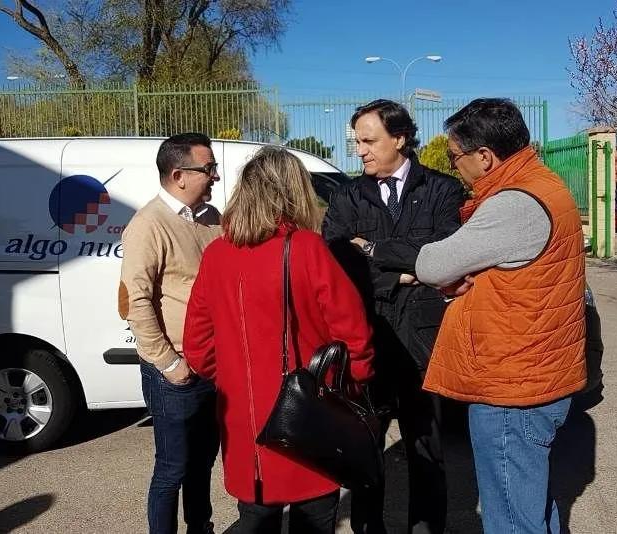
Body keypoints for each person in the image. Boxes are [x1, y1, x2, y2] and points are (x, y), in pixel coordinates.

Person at [414, 98, 587, 534]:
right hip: (540, 374)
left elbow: (432, 265)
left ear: (485, 157)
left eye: (455, 157)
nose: (454, 168)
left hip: (512, 388)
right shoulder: (545, 184)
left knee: (511, 520)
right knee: (533, 509)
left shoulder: (514, 204)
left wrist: (454, 274)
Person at [182, 146, 375, 534]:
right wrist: (349, 388)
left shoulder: (217, 254)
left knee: (256, 519)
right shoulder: (307, 248)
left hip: (246, 426)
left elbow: (198, 346)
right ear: (294, 191)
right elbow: (354, 334)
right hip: (310, 416)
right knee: (314, 520)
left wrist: (234, 377)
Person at [322, 99, 465, 534]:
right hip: (367, 344)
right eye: (356, 142)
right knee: (366, 452)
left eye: (368, 141)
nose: (359, 151)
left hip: (424, 344)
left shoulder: (442, 190)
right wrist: (403, 274)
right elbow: (336, 263)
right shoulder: (348, 196)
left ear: (399, 138)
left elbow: (446, 255)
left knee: (427, 453)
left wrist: (371, 249)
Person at [118, 132, 223, 534]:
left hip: (211, 366)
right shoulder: (149, 225)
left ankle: (201, 528)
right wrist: (169, 363)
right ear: (179, 175)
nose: (215, 176)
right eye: (208, 168)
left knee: (202, 463)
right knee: (172, 469)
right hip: (175, 372)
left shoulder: (212, 219)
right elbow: (134, 301)